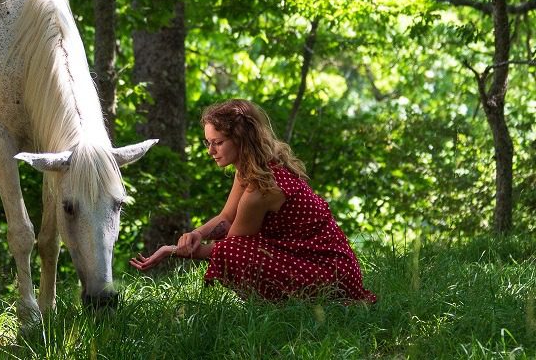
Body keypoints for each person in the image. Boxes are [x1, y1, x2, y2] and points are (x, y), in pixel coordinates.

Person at [130, 99, 376, 303]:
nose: (210, 151)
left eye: (218, 143)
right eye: (208, 143)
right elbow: (226, 218)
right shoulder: (252, 168)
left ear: (241, 140)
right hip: (319, 262)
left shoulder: (259, 190)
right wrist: (196, 233)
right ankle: (282, 306)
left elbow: (231, 246)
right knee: (235, 249)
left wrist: (173, 251)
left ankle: (288, 308)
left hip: (332, 274)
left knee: (234, 254)